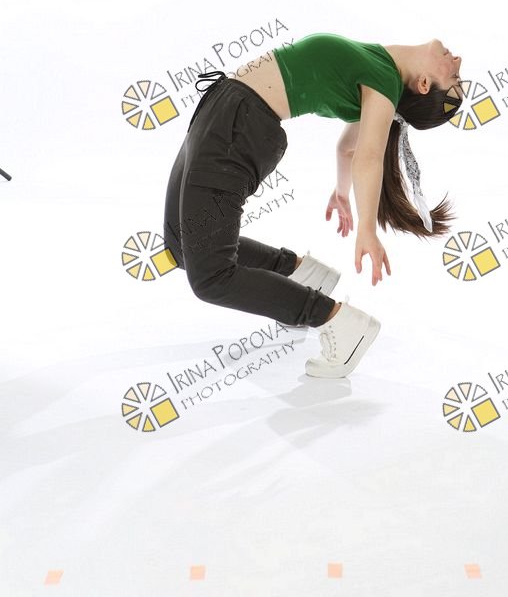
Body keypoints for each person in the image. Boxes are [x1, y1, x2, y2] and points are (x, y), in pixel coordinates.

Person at [163, 33, 463, 379]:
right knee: (180, 245)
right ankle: (300, 274)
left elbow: (368, 157)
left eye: (454, 77)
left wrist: (366, 228)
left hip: (237, 126)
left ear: (424, 84)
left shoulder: (384, 82)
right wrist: (341, 193)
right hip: (224, 111)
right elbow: (347, 149)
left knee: (211, 277)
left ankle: (338, 321)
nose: (458, 62)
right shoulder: (381, 65)